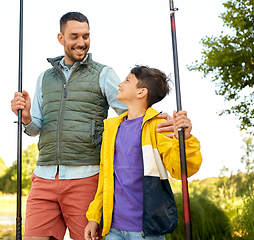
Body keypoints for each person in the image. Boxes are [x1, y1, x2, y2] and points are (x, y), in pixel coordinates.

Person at [11, 12, 174, 240]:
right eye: (74, 36)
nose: (81, 42)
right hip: (44, 176)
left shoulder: (103, 74)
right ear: (61, 38)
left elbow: (134, 112)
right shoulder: (44, 78)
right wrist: (26, 117)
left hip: (86, 177)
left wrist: (163, 122)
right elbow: (35, 127)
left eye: (86, 36)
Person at [84, 65, 203, 240]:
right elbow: (106, 178)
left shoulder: (159, 126)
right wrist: (94, 217)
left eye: (127, 80)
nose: (120, 84)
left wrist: (183, 140)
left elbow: (183, 170)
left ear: (141, 92)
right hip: (113, 229)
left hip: (145, 230)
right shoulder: (112, 129)